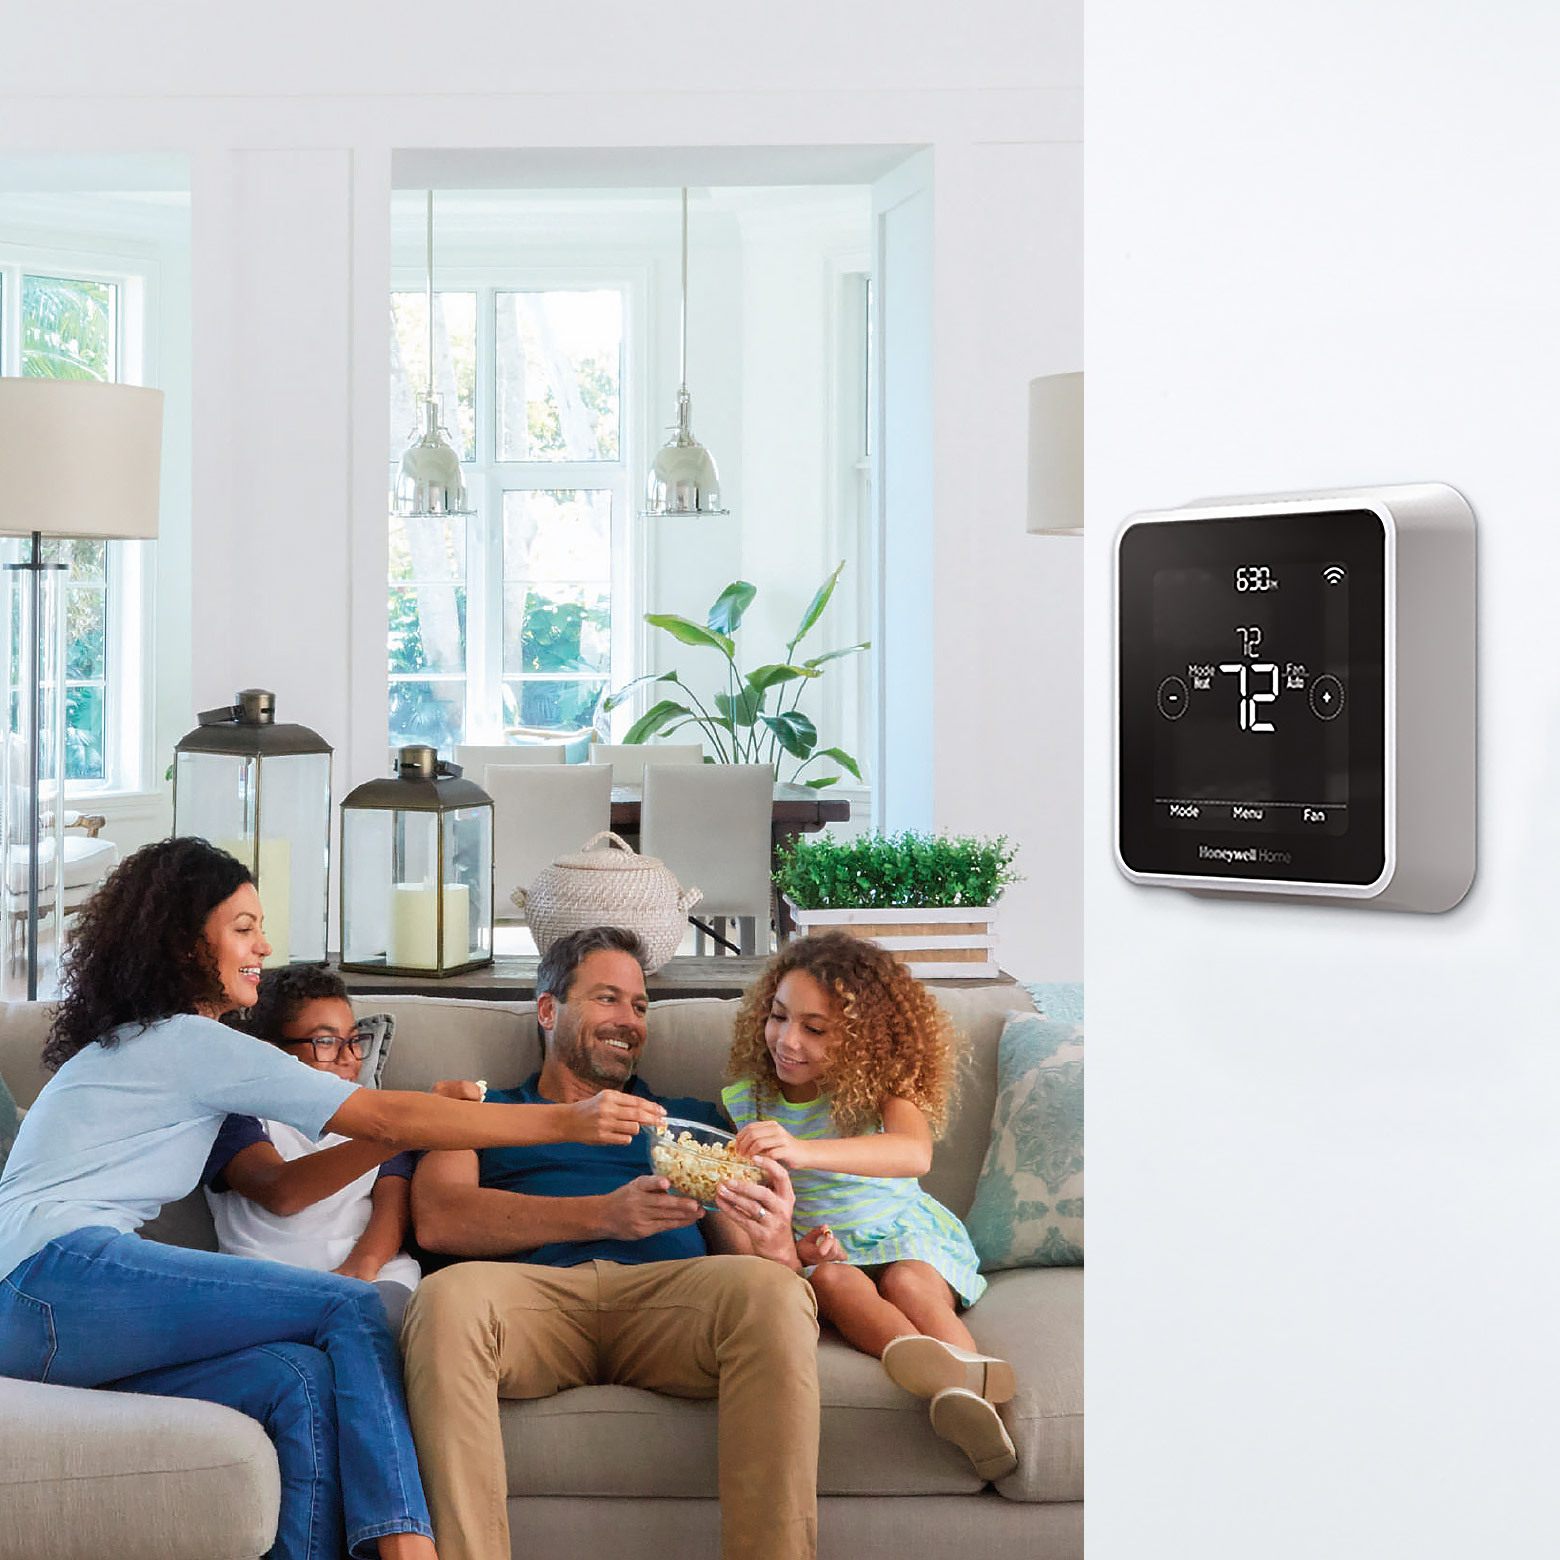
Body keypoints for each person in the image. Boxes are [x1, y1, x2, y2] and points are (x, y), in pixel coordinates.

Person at [0, 838, 664, 1560]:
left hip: (40, 1318)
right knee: (350, 1305)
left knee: (299, 1379)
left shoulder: (155, 1044)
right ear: (187, 942)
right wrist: (566, 1121)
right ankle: (411, 1551)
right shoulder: (185, 1041)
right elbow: (383, 1119)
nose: (264, 945)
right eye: (244, 928)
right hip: (45, 1275)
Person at [400, 924, 821, 1560]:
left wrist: (778, 1243)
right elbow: (438, 1219)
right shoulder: (484, 1112)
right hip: (530, 1301)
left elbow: (754, 1258)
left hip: (670, 1303)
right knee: (444, 1301)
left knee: (773, 1294)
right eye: (607, 999)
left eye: (640, 1006)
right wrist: (602, 1215)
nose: (629, 1020)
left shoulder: (692, 1122)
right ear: (548, 1010)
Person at [725, 931, 1019, 1480]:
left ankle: (979, 1397)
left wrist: (802, 1149)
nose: (787, 1040)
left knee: (908, 1284)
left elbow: (914, 1153)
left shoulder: (883, 1088)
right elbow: (757, 1206)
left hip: (904, 1233)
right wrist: (797, 1249)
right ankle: (946, 1385)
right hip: (832, 1252)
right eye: (778, 1016)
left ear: (863, 1039)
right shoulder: (749, 1100)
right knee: (833, 1282)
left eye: (815, 1029)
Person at [205, 964, 444, 1333]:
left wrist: (361, 1267)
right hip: (268, 1284)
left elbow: (392, 1206)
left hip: (372, 1276)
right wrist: (398, 1134)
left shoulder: (377, 1114)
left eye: (354, 1040)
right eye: (327, 1042)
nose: (349, 1057)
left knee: (380, 1323)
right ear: (271, 1052)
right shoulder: (235, 1114)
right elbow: (280, 1192)